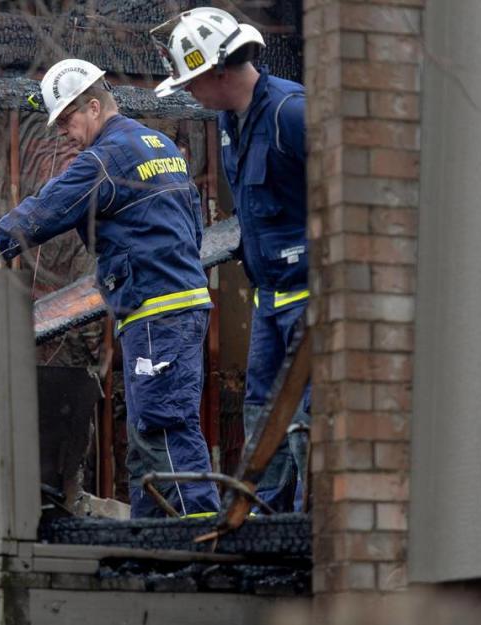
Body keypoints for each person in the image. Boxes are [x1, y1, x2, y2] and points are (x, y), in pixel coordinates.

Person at [0, 58, 220, 518]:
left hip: (157, 311)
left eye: (66, 120)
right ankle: (150, 548)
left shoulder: (106, 159)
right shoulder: (158, 144)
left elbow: (43, 212)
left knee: (165, 429)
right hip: (177, 305)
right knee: (147, 438)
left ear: (95, 107)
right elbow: (192, 228)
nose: (63, 133)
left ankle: (201, 545)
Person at [153, 7, 310, 511]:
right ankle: (267, 530)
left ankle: (316, 531)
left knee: (309, 423)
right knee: (265, 424)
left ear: (218, 72)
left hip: (313, 300)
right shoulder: (229, 123)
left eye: (192, 81)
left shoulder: (292, 113)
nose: (190, 93)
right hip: (270, 304)